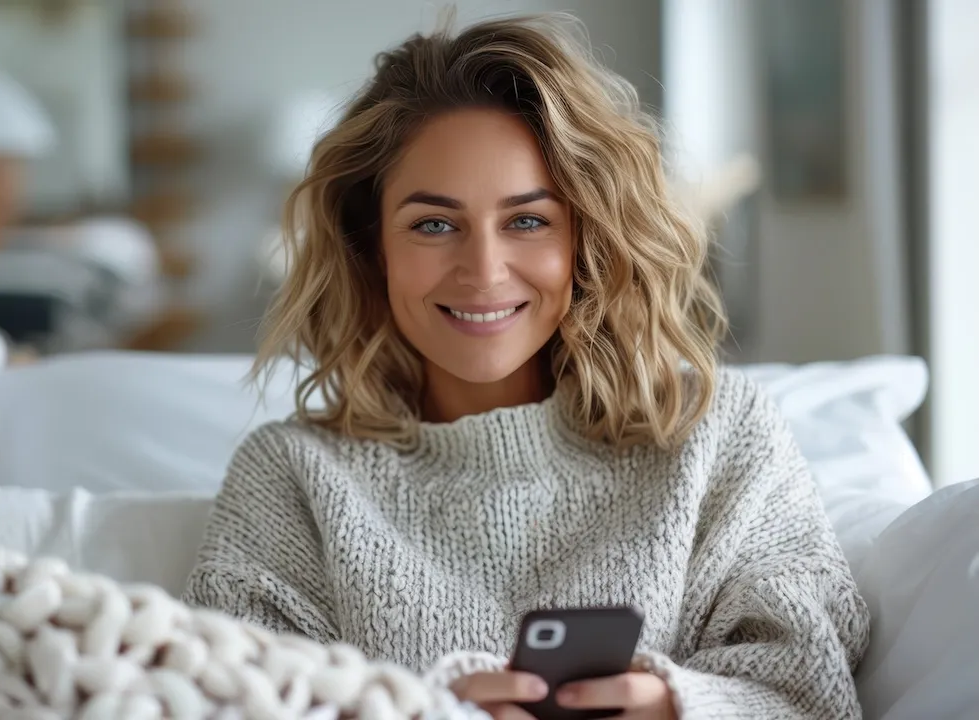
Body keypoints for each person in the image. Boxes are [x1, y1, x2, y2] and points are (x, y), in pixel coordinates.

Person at [184, 14, 868, 720]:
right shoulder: (291, 478)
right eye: (433, 224)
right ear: (371, 247)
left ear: (588, 235)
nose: (482, 271)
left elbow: (810, 690)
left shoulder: (717, 435)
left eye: (527, 220)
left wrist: (675, 706)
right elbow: (221, 707)